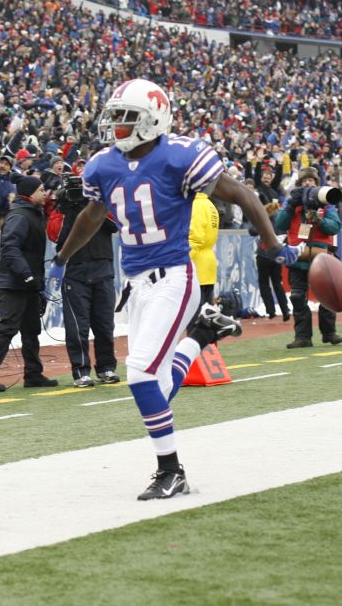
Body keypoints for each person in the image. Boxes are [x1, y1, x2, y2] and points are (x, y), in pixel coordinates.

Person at [49, 78, 296, 501]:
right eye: (115, 118)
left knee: (140, 374)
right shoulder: (103, 165)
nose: (118, 127)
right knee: (156, 387)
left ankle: (171, 470)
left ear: (153, 118)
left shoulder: (181, 155)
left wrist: (273, 244)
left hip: (174, 278)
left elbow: (242, 194)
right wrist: (61, 257)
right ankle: (201, 337)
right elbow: (92, 215)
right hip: (138, 283)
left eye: (127, 118)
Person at [0, 177, 59, 391]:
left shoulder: (30, 213)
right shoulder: (20, 216)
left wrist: (33, 280)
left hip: (27, 282)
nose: (45, 193)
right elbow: (10, 247)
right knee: (7, 327)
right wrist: (27, 275)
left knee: (31, 329)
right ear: (30, 193)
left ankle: (33, 373)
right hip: (14, 283)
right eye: (41, 189)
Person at [54, 176, 118, 388]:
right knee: (76, 327)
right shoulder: (63, 210)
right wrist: (65, 207)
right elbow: (54, 234)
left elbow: (116, 224)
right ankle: (80, 371)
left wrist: (94, 204)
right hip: (75, 273)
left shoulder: (99, 205)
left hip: (102, 270)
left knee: (104, 325)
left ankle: (106, 367)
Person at [273, 168, 342, 348]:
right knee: (297, 297)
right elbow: (279, 224)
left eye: (311, 181)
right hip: (299, 255)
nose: (307, 183)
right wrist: (290, 206)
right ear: (298, 184)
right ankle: (303, 337)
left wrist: (319, 220)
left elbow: (335, 227)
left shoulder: (327, 204)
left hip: (322, 257)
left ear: (316, 183)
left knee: (327, 296)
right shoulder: (292, 204)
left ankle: (329, 333)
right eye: (304, 181)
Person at [254, 169, 290, 321]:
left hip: (263, 253)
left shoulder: (261, 220)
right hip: (277, 253)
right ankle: (285, 310)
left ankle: (270, 311)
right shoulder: (280, 221)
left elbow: (251, 231)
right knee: (277, 282)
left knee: (264, 283)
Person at [189, 191, 219, 310]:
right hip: (207, 262)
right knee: (206, 312)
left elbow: (195, 237)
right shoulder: (209, 205)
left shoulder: (196, 206)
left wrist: (183, 260)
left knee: (196, 313)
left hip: (197, 263)